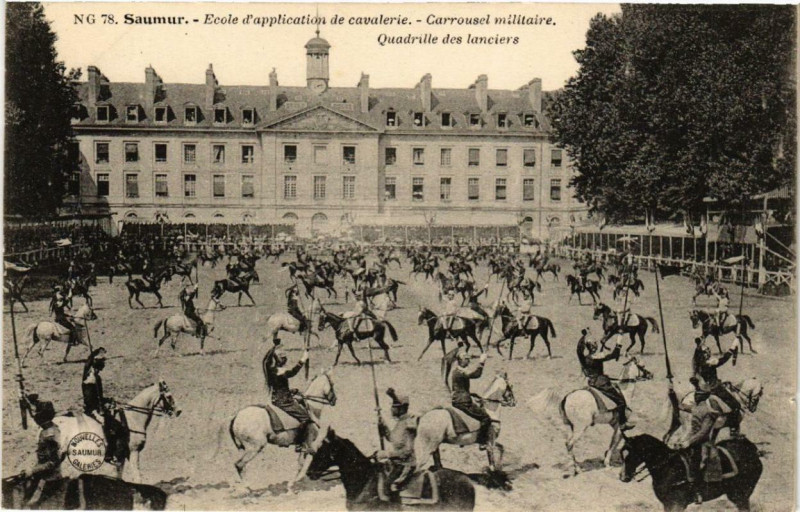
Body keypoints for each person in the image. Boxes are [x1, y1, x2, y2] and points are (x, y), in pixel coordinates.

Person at [263, 341, 315, 452]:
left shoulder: (272, 370)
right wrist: (303, 359)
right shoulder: (279, 371)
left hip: (279, 397)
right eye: (283, 357)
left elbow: (279, 385)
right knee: (306, 418)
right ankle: (301, 444)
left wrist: (291, 390)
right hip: (284, 400)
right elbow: (292, 372)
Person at [577, 330, 634, 431]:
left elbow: (578, 350)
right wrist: (619, 339)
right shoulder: (597, 357)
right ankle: (622, 424)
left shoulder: (585, 358)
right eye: (595, 344)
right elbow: (614, 354)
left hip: (590, 382)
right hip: (601, 382)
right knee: (621, 401)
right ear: (593, 346)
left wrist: (583, 337)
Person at [82, 348, 128, 465]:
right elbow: (89, 399)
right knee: (117, 428)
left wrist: (108, 401)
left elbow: (98, 397)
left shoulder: (96, 376)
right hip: (93, 411)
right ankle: (110, 456)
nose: (104, 362)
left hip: (98, 408)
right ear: (95, 361)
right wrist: (99, 409)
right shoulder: (90, 378)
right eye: (102, 360)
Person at [19, 398, 64, 507]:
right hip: (42, 475)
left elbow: (53, 462)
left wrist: (32, 471)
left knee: (30, 504)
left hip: (50, 479)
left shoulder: (50, 435)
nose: (34, 418)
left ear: (41, 417)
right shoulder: (46, 430)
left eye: (37, 415)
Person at [693, 338, 741, 436]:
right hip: (715, 388)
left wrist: (699, 344)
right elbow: (724, 359)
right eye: (707, 352)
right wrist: (732, 347)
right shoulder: (709, 364)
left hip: (711, 386)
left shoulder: (699, 364)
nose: (709, 353)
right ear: (703, 354)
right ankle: (733, 429)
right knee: (736, 406)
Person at [376, 388, 417, 492]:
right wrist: (383, 425)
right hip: (395, 464)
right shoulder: (399, 423)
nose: (391, 410)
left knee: (386, 489)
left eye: (394, 407)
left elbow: (407, 452)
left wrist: (386, 454)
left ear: (401, 409)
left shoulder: (409, 424)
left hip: (405, 466)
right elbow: (392, 439)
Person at [450, 350, 492, 448]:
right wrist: (482, 362)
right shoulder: (460, 372)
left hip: (458, 398)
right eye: (466, 359)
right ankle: (482, 442)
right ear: (460, 360)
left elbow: (459, 387)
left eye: (468, 359)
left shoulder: (456, 370)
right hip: (463, 401)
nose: (468, 361)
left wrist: (473, 394)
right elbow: (476, 375)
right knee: (486, 417)